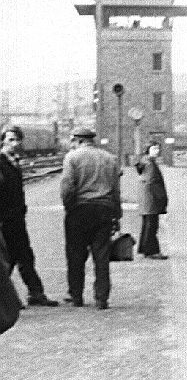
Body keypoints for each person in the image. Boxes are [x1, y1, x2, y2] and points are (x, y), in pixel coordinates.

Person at [60, 127, 122, 309]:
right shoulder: (110, 159)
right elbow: (116, 190)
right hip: (104, 210)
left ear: (78, 140)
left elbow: (67, 187)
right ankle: (102, 298)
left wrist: (69, 207)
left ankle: (76, 296)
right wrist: (117, 215)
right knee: (102, 256)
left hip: (79, 210)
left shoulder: (72, 157)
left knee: (75, 255)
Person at [0, 126, 59, 307]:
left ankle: (35, 293)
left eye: (17, 140)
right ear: (2, 140)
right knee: (12, 258)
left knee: (22, 256)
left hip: (16, 218)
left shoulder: (13, 161)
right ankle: (17, 296)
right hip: (6, 219)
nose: (15, 144)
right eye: (10, 140)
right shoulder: (1, 162)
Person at [135, 144, 168, 259]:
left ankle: (144, 248)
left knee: (147, 224)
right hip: (151, 198)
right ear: (148, 150)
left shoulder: (145, 161)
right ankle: (152, 251)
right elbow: (152, 181)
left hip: (146, 198)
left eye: (158, 148)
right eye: (154, 149)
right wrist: (162, 198)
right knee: (152, 225)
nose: (157, 151)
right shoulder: (150, 164)